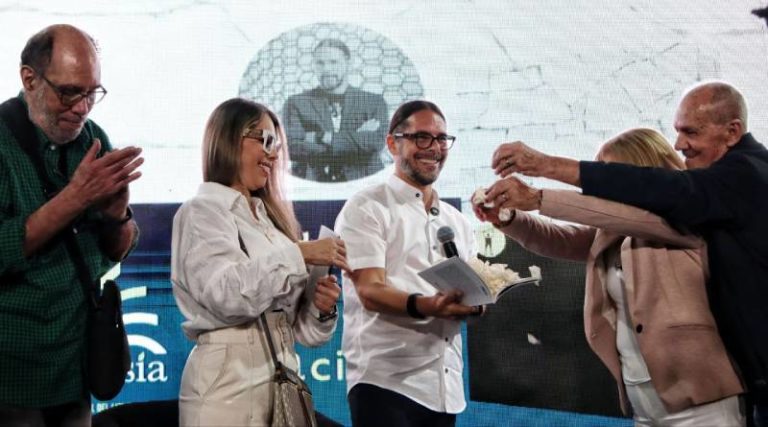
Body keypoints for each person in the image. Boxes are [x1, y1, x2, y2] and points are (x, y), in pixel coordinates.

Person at [492, 81, 768, 426]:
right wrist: (510, 219)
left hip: (701, 402)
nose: (680, 144)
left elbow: (634, 210)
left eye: (690, 132)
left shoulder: (685, 216)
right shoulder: (619, 232)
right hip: (645, 405)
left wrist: (540, 192)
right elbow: (567, 240)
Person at [171, 98, 348, 426]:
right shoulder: (202, 211)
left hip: (280, 386)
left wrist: (320, 309)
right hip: (225, 390)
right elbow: (226, 295)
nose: (274, 155)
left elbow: (305, 334)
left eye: (276, 145)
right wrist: (301, 254)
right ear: (228, 139)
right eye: (265, 140)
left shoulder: (272, 225)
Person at [0, 25, 142, 426]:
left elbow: (115, 251)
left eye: (92, 93)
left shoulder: (93, 140)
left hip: (76, 372)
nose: (82, 108)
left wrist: (118, 216)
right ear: (29, 79)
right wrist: (74, 198)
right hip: (11, 377)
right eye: (69, 93)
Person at [335, 100, 478, 427]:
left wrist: (477, 304)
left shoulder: (457, 222)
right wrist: (429, 306)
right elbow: (370, 291)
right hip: (385, 382)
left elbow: (471, 293)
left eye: (441, 139)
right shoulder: (367, 207)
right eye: (422, 137)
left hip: (445, 387)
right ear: (392, 143)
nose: (434, 148)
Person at [283, 38, 389, 182]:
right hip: (316, 184)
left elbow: (375, 142)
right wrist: (355, 141)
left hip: (365, 182)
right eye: (320, 63)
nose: (326, 69)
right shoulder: (296, 102)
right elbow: (292, 148)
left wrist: (320, 137)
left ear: (348, 64)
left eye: (334, 62)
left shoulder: (374, 102)